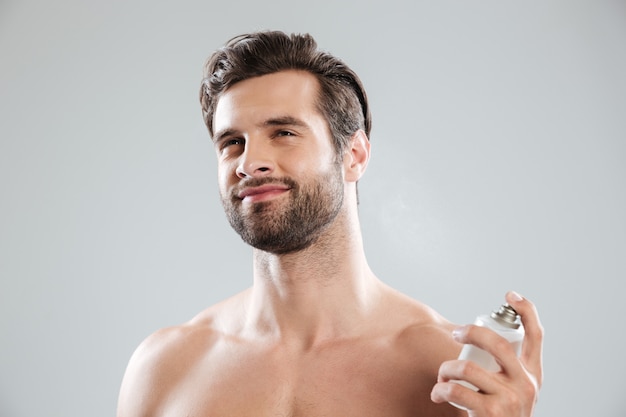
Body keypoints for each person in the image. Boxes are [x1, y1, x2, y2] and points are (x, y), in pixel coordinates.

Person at [117, 30, 543, 417]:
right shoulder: (165, 368)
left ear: (354, 155)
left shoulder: (448, 372)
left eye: (283, 132)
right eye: (232, 143)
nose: (249, 163)